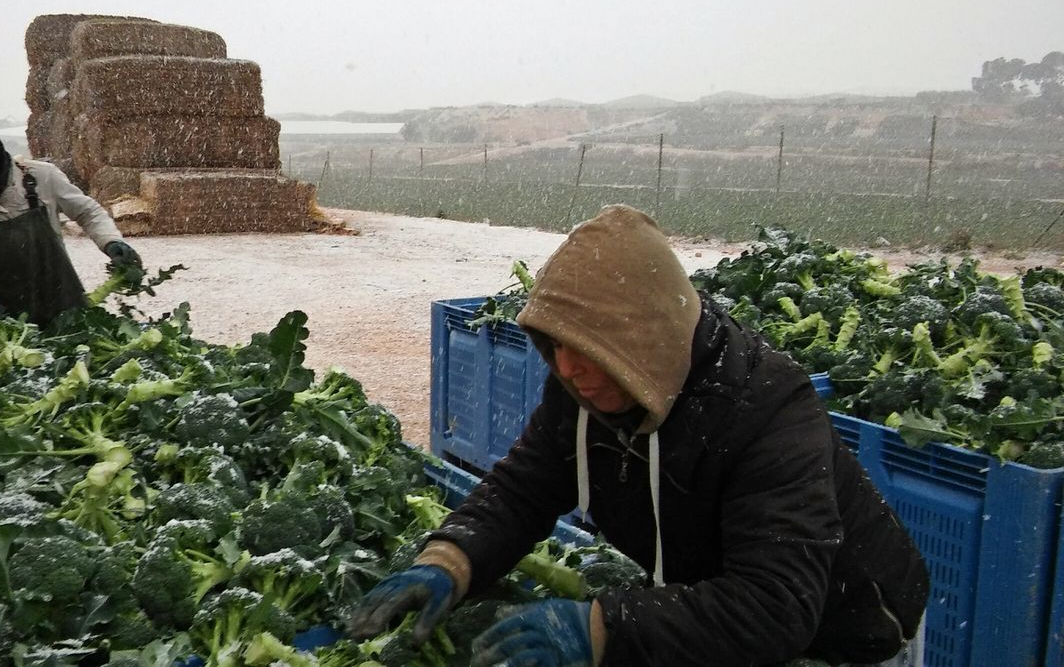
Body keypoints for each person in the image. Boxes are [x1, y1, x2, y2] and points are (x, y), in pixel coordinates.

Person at [348, 205, 929, 666]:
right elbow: (524, 490)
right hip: (718, 609)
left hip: (852, 633)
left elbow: (776, 606)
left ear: (642, 345)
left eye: (590, 353)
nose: (568, 370)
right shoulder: (581, 391)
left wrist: (606, 628)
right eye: (556, 349)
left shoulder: (770, 413)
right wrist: (452, 559)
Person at [0, 117, 141, 326]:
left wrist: (111, 242)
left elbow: (88, 212)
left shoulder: (41, 176)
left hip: (65, 306)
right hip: (7, 320)